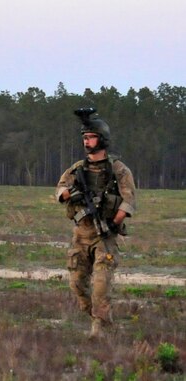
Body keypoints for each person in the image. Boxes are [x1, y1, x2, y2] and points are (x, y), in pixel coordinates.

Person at [55, 108, 136, 338]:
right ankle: (100, 318)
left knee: (101, 286)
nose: (87, 142)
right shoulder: (77, 169)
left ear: (102, 139)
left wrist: (112, 224)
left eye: (90, 137)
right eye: (84, 138)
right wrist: (70, 193)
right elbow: (60, 191)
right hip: (81, 235)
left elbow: (128, 201)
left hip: (105, 236)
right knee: (77, 284)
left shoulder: (118, 170)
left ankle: (98, 329)